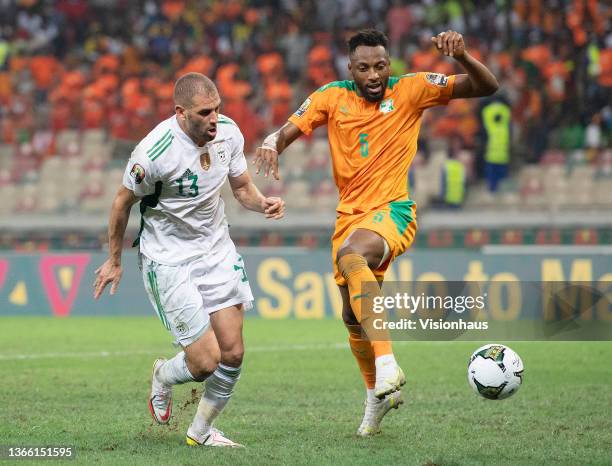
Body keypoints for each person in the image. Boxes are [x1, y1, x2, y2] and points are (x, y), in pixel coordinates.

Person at [255, 29, 497, 436]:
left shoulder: (412, 89)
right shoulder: (331, 96)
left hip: (393, 211)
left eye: (380, 66)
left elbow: (486, 86)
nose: (373, 75)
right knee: (352, 317)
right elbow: (288, 129)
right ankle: (375, 398)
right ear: (350, 69)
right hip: (349, 218)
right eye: (364, 67)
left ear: (390, 65)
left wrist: (463, 57)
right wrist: (270, 143)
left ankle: (387, 363)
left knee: (351, 256)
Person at [94, 72, 285, 447]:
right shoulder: (153, 153)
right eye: (204, 113)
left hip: (216, 250)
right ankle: (164, 375)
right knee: (204, 363)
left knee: (233, 352)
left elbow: (242, 187)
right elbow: (121, 203)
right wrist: (114, 259)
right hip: (168, 259)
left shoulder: (228, 133)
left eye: (217, 109)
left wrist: (263, 204)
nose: (215, 118)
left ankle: (201, 433)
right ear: (181, 113)